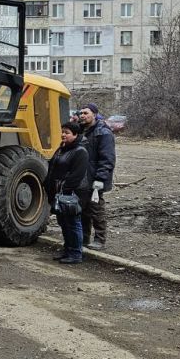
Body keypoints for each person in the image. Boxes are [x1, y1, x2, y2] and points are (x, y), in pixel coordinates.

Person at [45, 121, 90, 264]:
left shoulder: (80, 151)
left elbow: (77, 175)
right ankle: (67, 250)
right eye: (62, 132)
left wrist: (65, 191)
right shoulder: (62, 148)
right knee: (63, 223)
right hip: (59, 192)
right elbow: (52, 168)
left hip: (72, 194)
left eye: (67, 133)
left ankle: (76, 253)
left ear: (75, 134)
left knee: (73, 223)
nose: (63, 135)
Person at [77, 103, 115, 251]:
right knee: (83, 210)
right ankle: (84, 238)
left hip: (95, 179)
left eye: (86, 113)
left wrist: (100, 178)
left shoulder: (103, 133)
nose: (82, 115)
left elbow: (107, 158)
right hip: (83, 178)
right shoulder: (81, 131)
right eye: (81, 113)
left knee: (96, 209)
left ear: (94, 114)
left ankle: (100, 239)